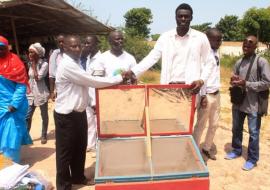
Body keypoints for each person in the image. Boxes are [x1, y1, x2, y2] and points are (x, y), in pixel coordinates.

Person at [54, 35, 124, 189]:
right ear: (64, 47)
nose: (78, 48)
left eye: (79, 45)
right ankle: (64, 185)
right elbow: (92, 81)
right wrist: (119, 78)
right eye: (73, 46)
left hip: (79, 113)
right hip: (66, 115)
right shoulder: (67, 65)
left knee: (79, 148)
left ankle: (78, 177)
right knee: (65, 153)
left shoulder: (77, 62)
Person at [123, 3, 215, 93]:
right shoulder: (165, 37)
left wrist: (202, 80)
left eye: (186, 16)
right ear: (176, 17)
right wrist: (134, 71)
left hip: (191, 88)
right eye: (180, 16)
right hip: (168, 88)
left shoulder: (200, 37)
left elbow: (210, 61)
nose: (183, 19)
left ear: (191, 18)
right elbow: (152, 58)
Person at [225, 35, 270, 171]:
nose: (246, 45)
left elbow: (267, 83)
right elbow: (234, 78)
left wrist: (247, 83)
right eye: (244, 44)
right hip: (239, 103)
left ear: (256, 46)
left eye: (250, 44)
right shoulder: (239, 61)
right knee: (236, 129)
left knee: (254, 133)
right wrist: (234, 80)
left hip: (253, 105)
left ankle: (252, 159)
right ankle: (237, 150)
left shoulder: (261, 62)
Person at [0, 36, 32, 163]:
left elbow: (21, 85)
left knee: (11, 135)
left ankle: (12, 165)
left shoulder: (15, 62)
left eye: (1, 48)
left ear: (7, 48)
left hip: (12, 107)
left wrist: (14, 103)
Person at [193, 28, 222, 160]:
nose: (219, 41)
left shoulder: (216, 53)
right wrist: (203, 95)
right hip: (206, 96)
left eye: (220, 39)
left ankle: (206, 148)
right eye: (216, 39)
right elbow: (200, 76)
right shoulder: (202, 56)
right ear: (207, 39)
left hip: (216, 94)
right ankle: (193, 151)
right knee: (201, 125)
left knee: (214, 124)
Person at [81, 35, 102, 153]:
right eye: (85, 43)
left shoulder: (102, 59)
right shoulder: (87, 59)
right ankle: (91, 145)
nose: (85, 46)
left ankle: (99, 147)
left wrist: (95, 101)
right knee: (89, 122)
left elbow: (100, 81)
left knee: (99, 124)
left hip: (96, 98)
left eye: (88, 43)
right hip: (88, 96)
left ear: (96, 45)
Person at [26, 42, 50, 144]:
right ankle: (26, 136)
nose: (30, 54)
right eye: (29, 52)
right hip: (31, 93)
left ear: (37, 53)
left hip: (41, 93)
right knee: (28, 116)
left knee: (44, 115)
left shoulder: (44, 64)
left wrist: (35, 65)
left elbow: (38, 78)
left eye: (32, 52)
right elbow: (29, 78)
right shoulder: (29, 64)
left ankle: (43, 135)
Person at [48, 34, 64, 101]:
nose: (61, 43)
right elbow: (51, 75)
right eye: (59, 42)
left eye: (63, 41)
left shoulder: (73, 53)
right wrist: (52, 92)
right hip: (60, 89)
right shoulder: (56, 54)